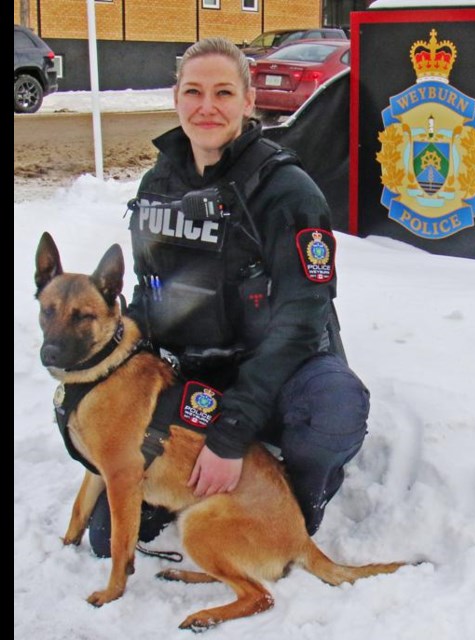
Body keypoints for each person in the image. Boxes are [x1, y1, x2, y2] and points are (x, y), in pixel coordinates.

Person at [86, 36, 369, 557]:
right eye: (193, 91)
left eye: (222, 92)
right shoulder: (158, 184)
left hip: (279, 370)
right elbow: (147, 302)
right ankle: (195, 487)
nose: (207, 106)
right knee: (108, 542)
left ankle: (299, 495)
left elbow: (302, 324)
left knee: (335, 407)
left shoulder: (288, 191)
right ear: (176, 99)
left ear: (248, 100)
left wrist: (231, 433)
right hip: (197, 374)